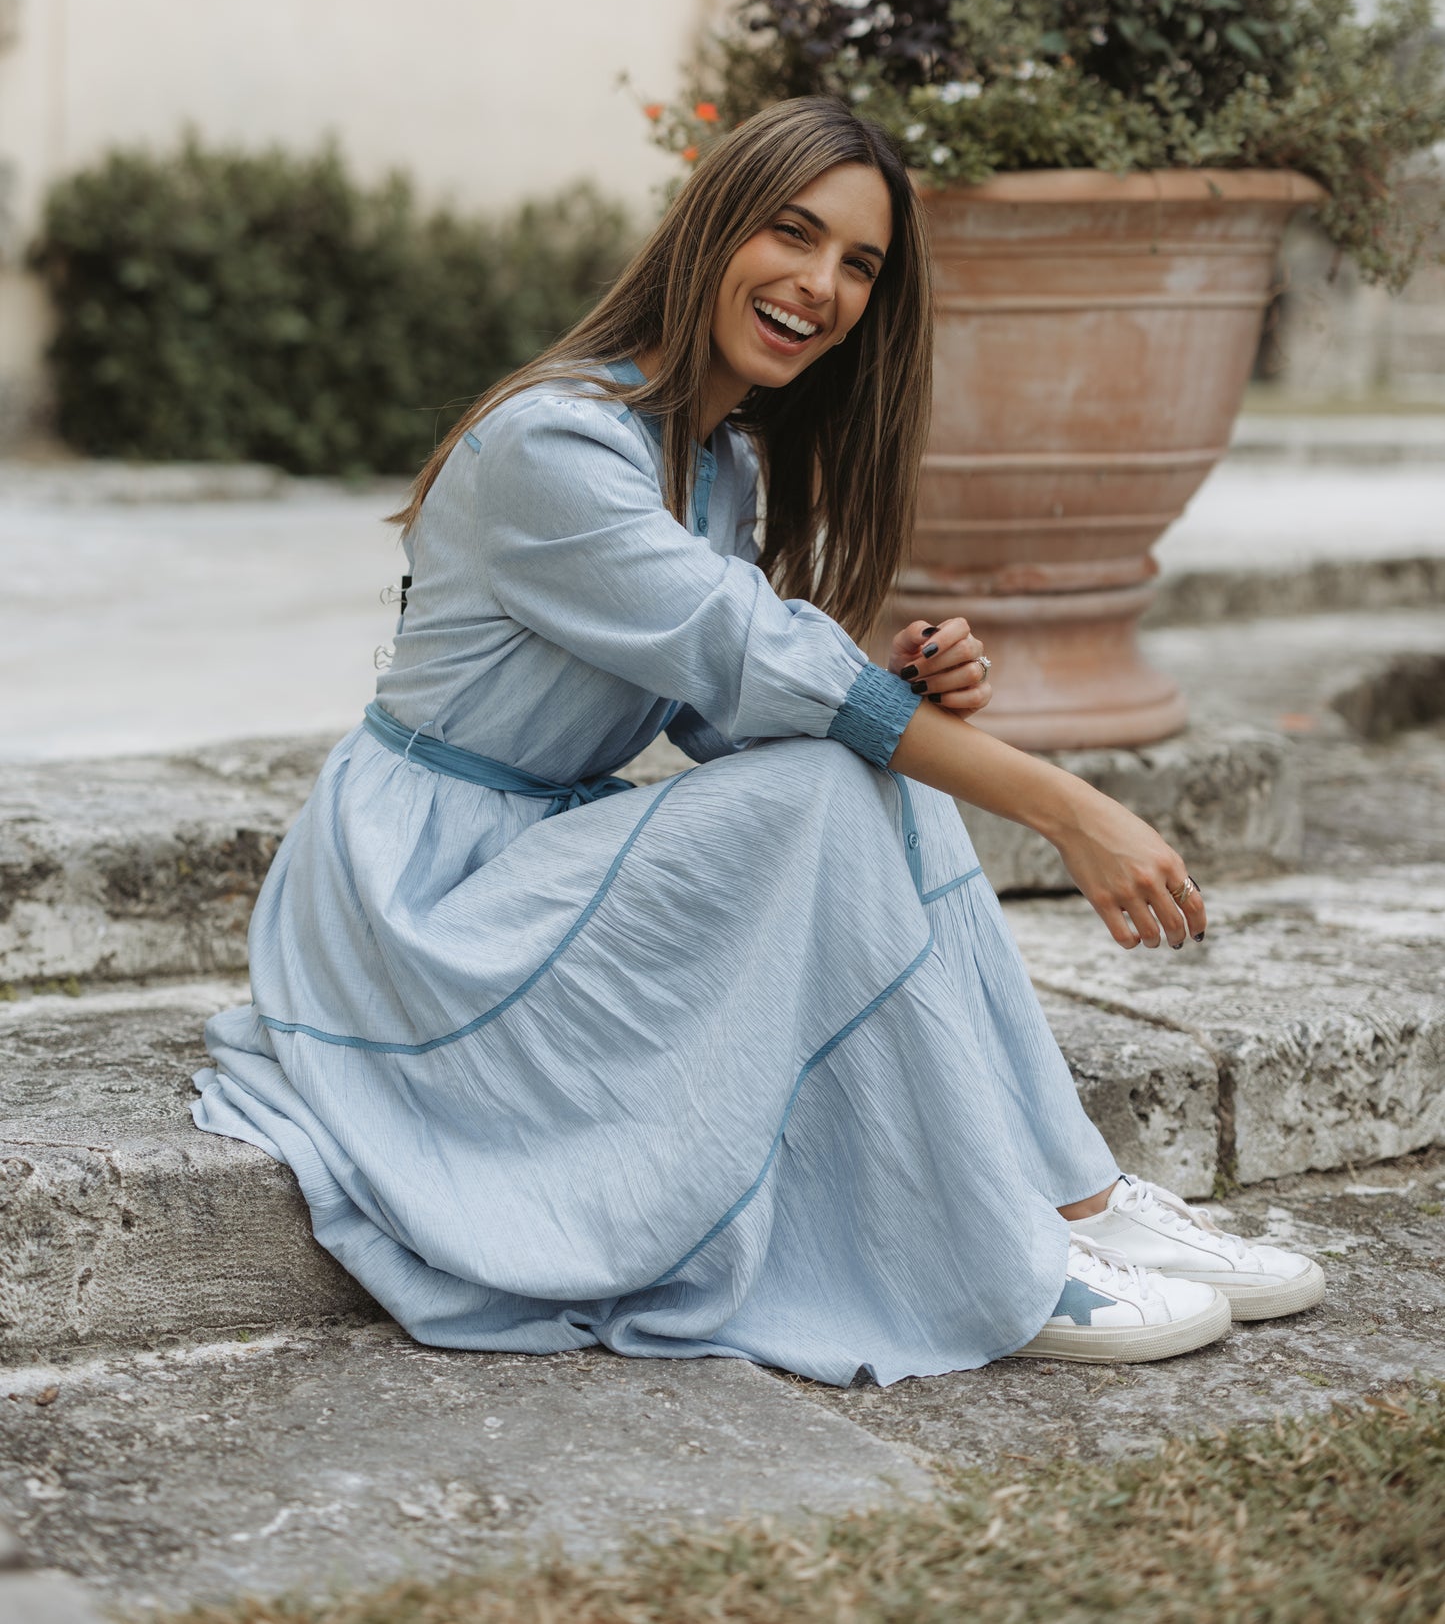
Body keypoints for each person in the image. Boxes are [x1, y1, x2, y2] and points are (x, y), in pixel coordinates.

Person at [192, 96, 1323, 1384]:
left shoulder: (717, 458)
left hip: (527, 862)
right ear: (713, 227)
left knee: (857, 772)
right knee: (842, 778)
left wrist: (903, 694)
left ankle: (1072, 1196)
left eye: (859, 265)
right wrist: (1067, 807)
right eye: (792, 233)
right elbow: (754, 656)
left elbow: (728, 706)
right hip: (418, 902)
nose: (821, 286)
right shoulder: (553, 443)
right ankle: (1002, 1250)